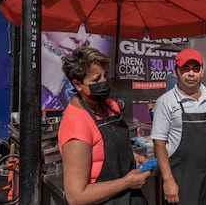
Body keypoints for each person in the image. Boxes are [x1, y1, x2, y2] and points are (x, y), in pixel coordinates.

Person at [58, 46, 151, 205]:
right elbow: (76, 196)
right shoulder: (76, 126)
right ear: (77, 84)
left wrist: (133, 157)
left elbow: (106, 150)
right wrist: (127, 182)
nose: (103, 82)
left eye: (105, 76)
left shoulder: (110, 105)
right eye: (95, 80)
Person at [151, 48, 206, 204]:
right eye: (185, 69)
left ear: (202, 72)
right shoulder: (166, 102)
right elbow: (159, 143)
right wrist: (168, 180)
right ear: (175, 72)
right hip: (185, 177)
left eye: (195, 69)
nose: (191, 73)